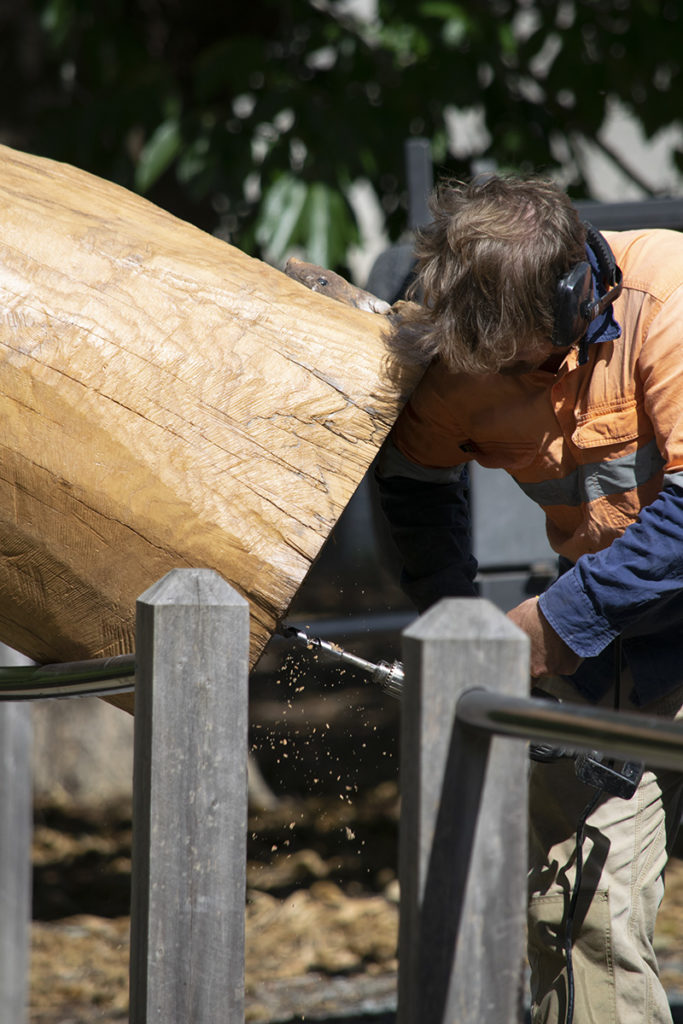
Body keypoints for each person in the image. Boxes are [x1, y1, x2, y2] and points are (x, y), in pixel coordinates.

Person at [374, 174, 683, 1024]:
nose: (501, 376)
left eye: (516, 358)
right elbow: (415, 483)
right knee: (578, 910)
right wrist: (457, 622)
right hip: (628, 641)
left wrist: (551, 627)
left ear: (575, 296)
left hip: (600, 618)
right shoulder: (462, 336)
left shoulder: (669, 295)